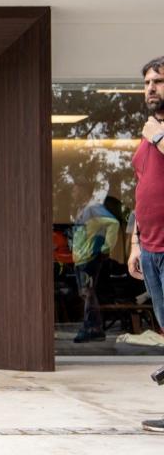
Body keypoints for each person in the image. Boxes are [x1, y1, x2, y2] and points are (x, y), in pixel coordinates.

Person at [128, 55, 164, 433]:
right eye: (147, 83)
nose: (150, 89)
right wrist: (135, 242)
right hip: (152, 249)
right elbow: (143, 189)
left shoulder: (154, 132)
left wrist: (157, 135)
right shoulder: (147, 133)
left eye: (158, 81)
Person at [69, 179, 119, 343]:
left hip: (89, 258)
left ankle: (90, 328)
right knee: (86, 293)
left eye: (75, 190)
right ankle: (95, 329)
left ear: (83, 190)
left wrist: (106, 247)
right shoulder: (82, 209)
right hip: (81, 258)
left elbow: (113, 223)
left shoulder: (93, 208)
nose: (72, 193)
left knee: (88, 293)